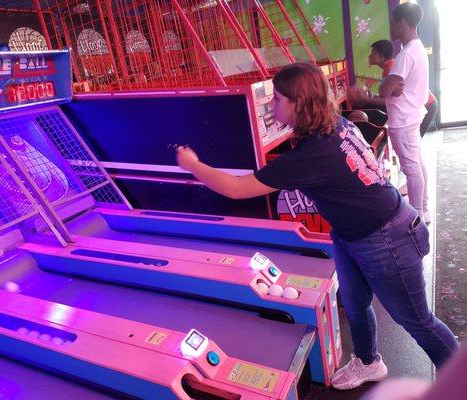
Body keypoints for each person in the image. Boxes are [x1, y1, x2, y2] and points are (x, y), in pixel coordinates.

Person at [176, 62, 458, 391]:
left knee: (416, 320)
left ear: (300, 103)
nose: (272, 105)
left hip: (387, 238)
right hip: (353, 233)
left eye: (278, 99)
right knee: (354, 303)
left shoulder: (311, 156)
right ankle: (369, 362)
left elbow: (236, 188)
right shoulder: (330, 125)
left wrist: (193, 165)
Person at [349, 39, 438, 138]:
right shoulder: (389, 68)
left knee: (413, 141)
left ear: (382, 56)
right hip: (426, 104)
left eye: (373, 53)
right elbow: (390, 97)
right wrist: (372, 96)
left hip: (427, 105)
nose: (369, 55)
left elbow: (389, 101)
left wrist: (365, 99)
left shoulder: (391, 69)